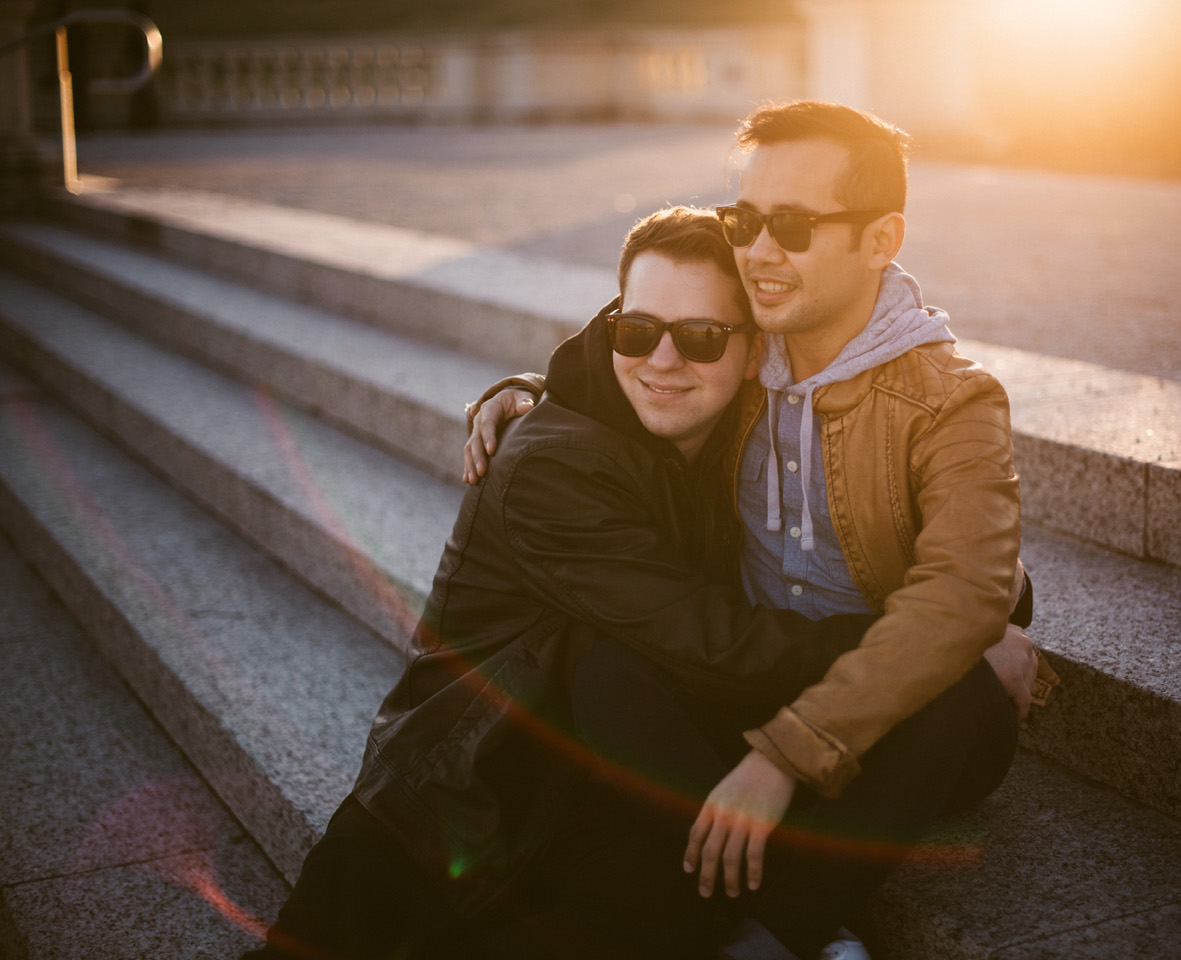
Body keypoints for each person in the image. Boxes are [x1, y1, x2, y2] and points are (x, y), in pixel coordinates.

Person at [245, 206, 1024, 960]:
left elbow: (954, 547)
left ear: (756, 352)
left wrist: (961, 623)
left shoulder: (743, 426)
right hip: (471, 794)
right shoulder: (552, 467)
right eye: (637, 330)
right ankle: (796, 921)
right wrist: (930, 646)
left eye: (700, 337)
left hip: (615, 772)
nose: (660, 359)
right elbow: (715, 641)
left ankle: (782, 923)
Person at [467, 100, 1058, 960]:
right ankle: (793, 901)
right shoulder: (735, 352)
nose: (756, 251)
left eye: (792, 225)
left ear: (881, 239)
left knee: (958, 690)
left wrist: (783, 757)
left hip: (890, 717)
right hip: (744, 678)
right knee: (602, 663)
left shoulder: (954, 402)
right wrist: (525, 392)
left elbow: (961, 595)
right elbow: (646, 332)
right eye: (744, 220)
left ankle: (776, 935)